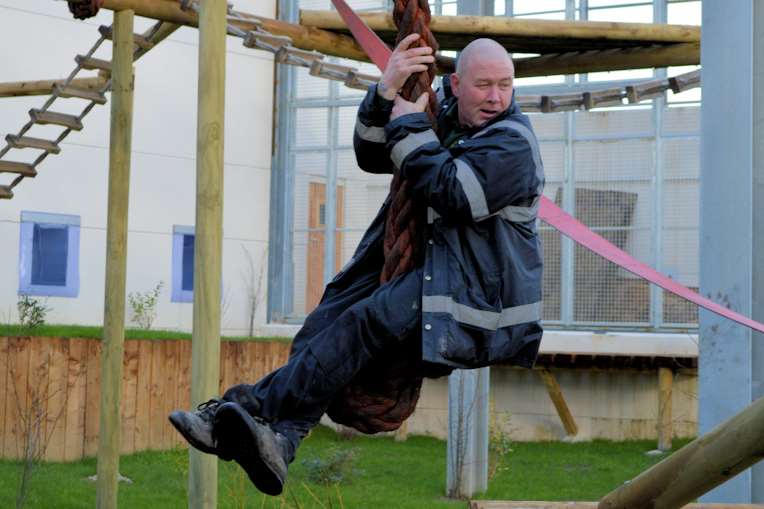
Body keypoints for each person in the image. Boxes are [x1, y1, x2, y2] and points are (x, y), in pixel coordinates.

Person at [169, 36, 544, 497]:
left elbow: (453, 192)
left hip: (473, 293)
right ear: (455, 83)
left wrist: (410, 130)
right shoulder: (438, 108)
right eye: (484, 85)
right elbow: (372, 154)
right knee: (322, 325)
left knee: (364, 324)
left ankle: (236, 412)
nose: (495, 97)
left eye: (505, 85)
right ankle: (282, 440)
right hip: (429, 266)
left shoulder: (514, 142)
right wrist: (387, 89)